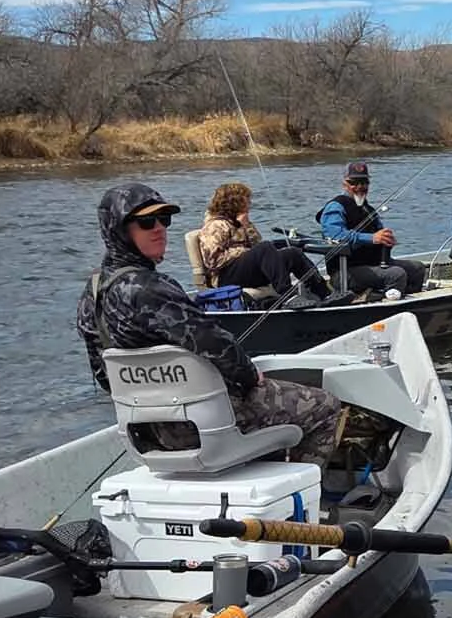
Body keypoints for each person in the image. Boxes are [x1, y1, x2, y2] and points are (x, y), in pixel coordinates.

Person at [77, 182, 343, 467]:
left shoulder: (91, 292)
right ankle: (300, 493)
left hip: (145, 432)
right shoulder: (151, 288)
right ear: (118, 229)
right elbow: (215, 344)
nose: (159, 228)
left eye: (163, 219)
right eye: (146, 222)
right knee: (327, 406)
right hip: (200, 428)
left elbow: (104, 375)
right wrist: (250, 377)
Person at [195, 182, 334, 309]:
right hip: (225, 277)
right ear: (235, 202)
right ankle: (288, 295)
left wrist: (246, 226)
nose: (250, 203)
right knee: (265, 248)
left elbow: (256, 246)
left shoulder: (239, 223)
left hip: (246, 272)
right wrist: (243, 251)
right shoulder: (215, 226)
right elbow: (213, 261)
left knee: (292, 253)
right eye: (246, 200)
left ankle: (324, 293)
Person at [317, 162, 427, 296]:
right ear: (344, 184)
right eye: (354, 183)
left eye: (364, 182)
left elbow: (380, 235)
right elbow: (335, 235)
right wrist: (372, 238)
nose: (360, 187)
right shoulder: (335, 207)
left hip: (373, 264)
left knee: (417, 268)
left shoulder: (369, 210)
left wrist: (387, 240)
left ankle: (409, 300)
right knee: (396, 274)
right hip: (345, 272)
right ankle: (385, 304)